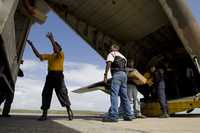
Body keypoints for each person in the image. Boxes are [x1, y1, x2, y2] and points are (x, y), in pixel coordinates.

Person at [27, 32, 73, 121]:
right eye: (53, 46)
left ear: (59, 48)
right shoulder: (49, 56)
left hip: (58, 76)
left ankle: (69, 111)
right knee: (46, 94)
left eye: (56, 46)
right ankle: (44, 114)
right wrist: (32, 45)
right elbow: (38, 55)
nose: (54, 47)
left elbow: (56, 50)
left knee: (62, 93)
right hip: (50, 76)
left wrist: (51, 39)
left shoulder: (61, 55)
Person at [103, 44, 133, 122]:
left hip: (117, 74)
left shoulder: (112, 54)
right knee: (124, 96)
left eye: (111, 47)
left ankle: (113, 116)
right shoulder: (124, 57)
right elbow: (125, 68)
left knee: (114, 94)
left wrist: (105, 75)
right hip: (124, 76)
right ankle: (129, 115)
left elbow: (108, 63)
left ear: (114, 48)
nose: (110, 48)